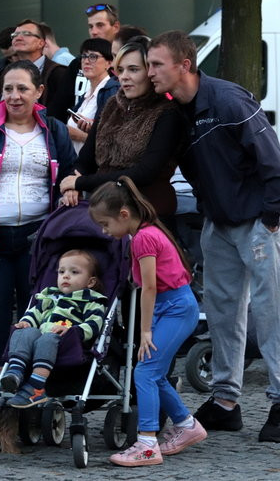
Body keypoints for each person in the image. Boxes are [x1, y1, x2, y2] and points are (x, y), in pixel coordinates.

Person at [147, 30, 280, 442]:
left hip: (258, 222)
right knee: (223, 313)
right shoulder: (175, 112)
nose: (149, 72)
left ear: (185, 65)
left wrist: (271, 215)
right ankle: (225, 401)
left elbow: (272, 160)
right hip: (219, 223)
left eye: (157, 64)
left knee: (271, 313)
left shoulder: (228, 99)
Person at [0, 60, 76, 368]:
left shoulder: (53, 129)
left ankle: (27, 387)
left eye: (23, 88)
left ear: (39, 92)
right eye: (8, 89)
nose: (14, 96)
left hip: (38, 240)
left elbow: (71, 173)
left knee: (33, 316)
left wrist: (71, 187)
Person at [89, 176, 206, 466]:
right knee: (152, 372)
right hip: (174, 307)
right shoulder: (143, 232)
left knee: (144, 373)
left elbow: (150, 287)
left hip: (176, 309)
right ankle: (187, 426)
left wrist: (145, 330)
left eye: (105, 224)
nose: (105, 231)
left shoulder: (143, 237)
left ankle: (147, 443)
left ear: (124, 215)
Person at [61, 36, 182, 219]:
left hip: (146, 211)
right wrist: (72, 186)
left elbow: (144, 173)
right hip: (104, 209)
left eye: (133, 69)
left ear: (150, 72)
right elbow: (85, 160)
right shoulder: (111, 105)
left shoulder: (167, 112)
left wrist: (80, 182)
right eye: (120, 70)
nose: (124, 76)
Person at [0, 249, 107, 407]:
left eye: (74, 272)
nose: (66, 276)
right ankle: (15, 372)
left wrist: (73, 331)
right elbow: (34, 313)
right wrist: (26, 322)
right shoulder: (49, 296)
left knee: (47, 338)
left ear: (90, 282)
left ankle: (36, 387)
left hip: (66, 343)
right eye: (61, 271)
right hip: (37, 343)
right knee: (23, 331)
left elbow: (94, 324)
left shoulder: (91, 300)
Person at [48, 3, 121, 121]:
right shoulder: (78, 63)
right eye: (91, 26)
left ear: (116, 27)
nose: (94, 31)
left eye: (100, 25)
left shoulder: (124, 65)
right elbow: (58, 107)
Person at [0, 20, 66, 112]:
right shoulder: (3, 73)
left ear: (41, 43)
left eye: (26, 34)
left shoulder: (58, 73)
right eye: (14, 35)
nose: (18, 38)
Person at [64, 38, 117, 153]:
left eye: (93, 57)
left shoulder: (112, 91)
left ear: (109, 63)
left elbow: (113, 141)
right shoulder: (86, 94)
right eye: (83, 56)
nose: (86, 61)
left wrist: (80, 136)